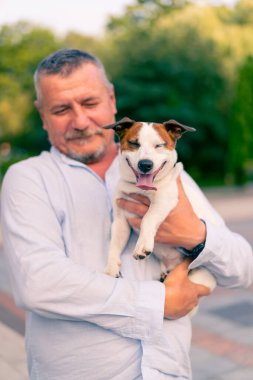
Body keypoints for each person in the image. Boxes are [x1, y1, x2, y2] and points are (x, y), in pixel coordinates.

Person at [1, 48, 252, 380]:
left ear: (111, 99)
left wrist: (195, 235)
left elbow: (244, 268)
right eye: (61, 109)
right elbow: (38, 283)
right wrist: (161, 302)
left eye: (90, 103)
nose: (79, 121)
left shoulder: (169, 172)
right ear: (42, 114)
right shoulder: (28, 179)